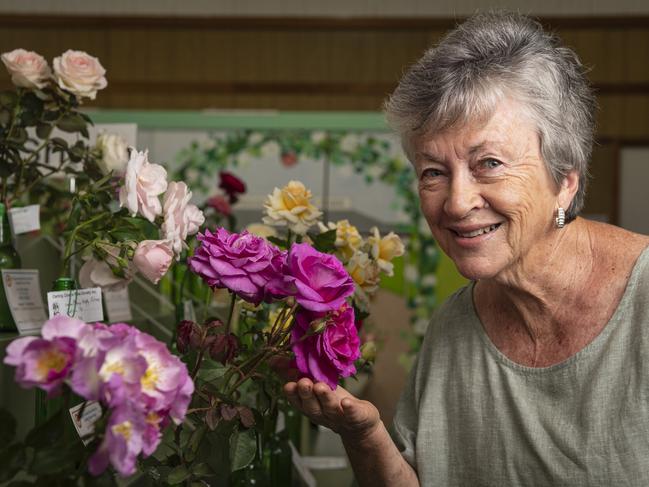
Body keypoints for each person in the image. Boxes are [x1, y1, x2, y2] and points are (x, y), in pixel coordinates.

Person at [284, 10, 649, 486]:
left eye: (490, 163)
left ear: (565, 181)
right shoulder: (454, 326)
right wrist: (366, 435)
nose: (456, 203)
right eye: (433, 172)